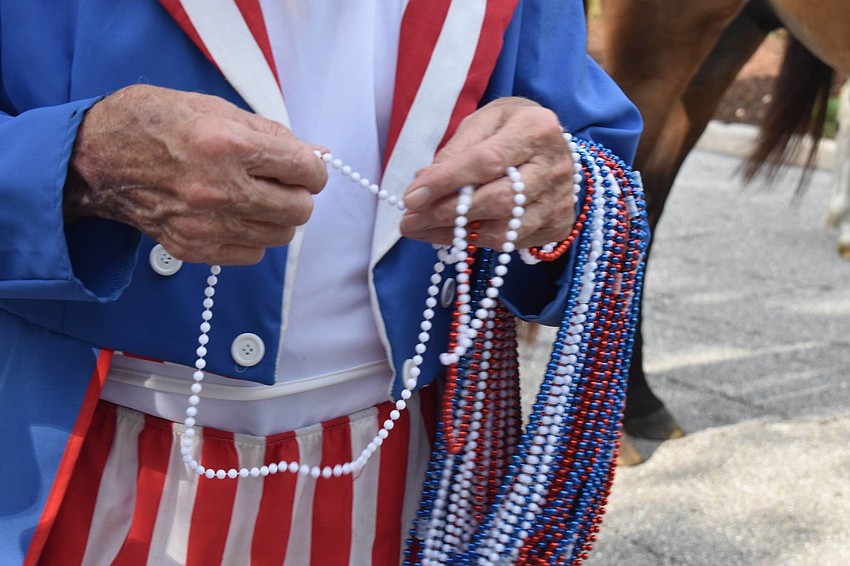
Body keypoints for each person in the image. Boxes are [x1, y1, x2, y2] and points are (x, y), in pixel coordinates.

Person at [0, 0, 642, 564]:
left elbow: (580, 143)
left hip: (410, 480)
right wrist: (76, 165)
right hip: (60, 461)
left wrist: (559, 191)